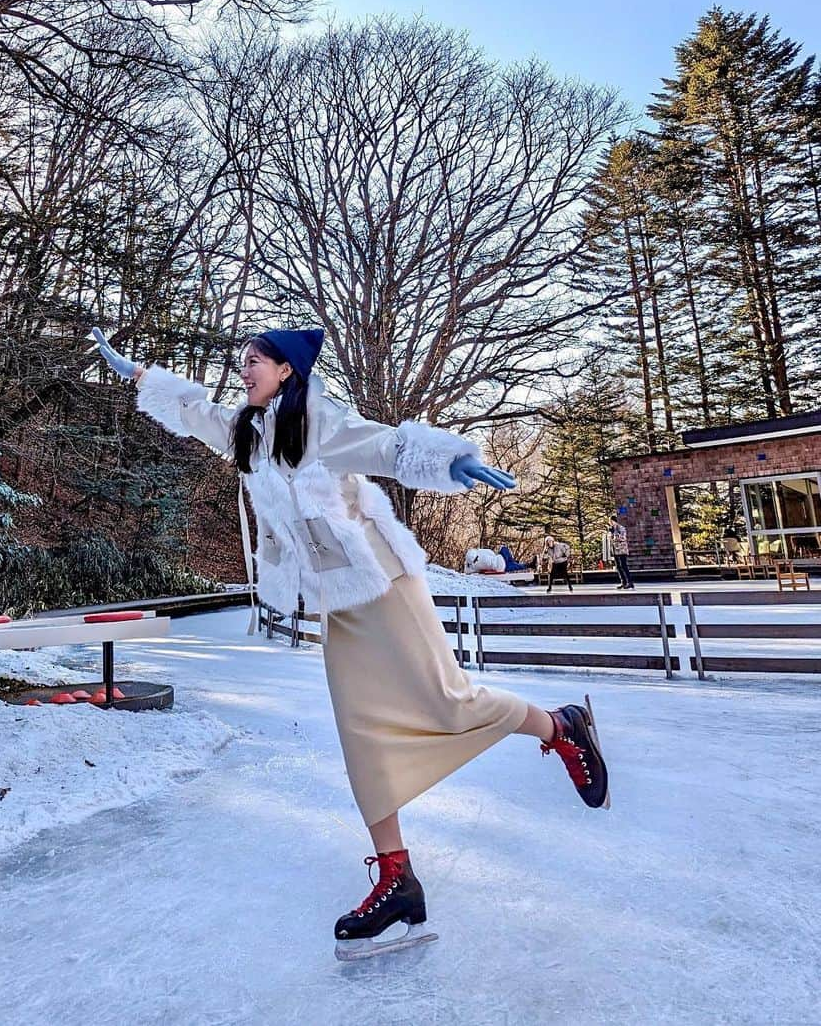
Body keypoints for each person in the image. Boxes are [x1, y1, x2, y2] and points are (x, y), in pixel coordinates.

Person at [91, 325, 610, 960]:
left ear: (286, 371)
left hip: (383, 583)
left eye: (256, 361)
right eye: (243, 361)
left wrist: (452, 459)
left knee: (448, 703)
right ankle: (398, 879)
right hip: (341, 600)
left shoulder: (318, 420)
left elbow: (389, 447)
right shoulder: (250, 433)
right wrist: (141, 376)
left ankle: (561, 726)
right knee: (361, 733)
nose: (245, 370)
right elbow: (196, 412)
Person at [601, 515, 634, 589]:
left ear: (613, 521)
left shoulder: (621, 528)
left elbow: (623, 538)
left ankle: (630, 582)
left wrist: (614, 534)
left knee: (623, 566)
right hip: (615, 550)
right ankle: (623, 582)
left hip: (622, 550)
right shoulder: (611, 529)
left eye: (610, 521)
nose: (610, 523)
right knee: (618, 567)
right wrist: (610, 535)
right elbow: (610, 539)